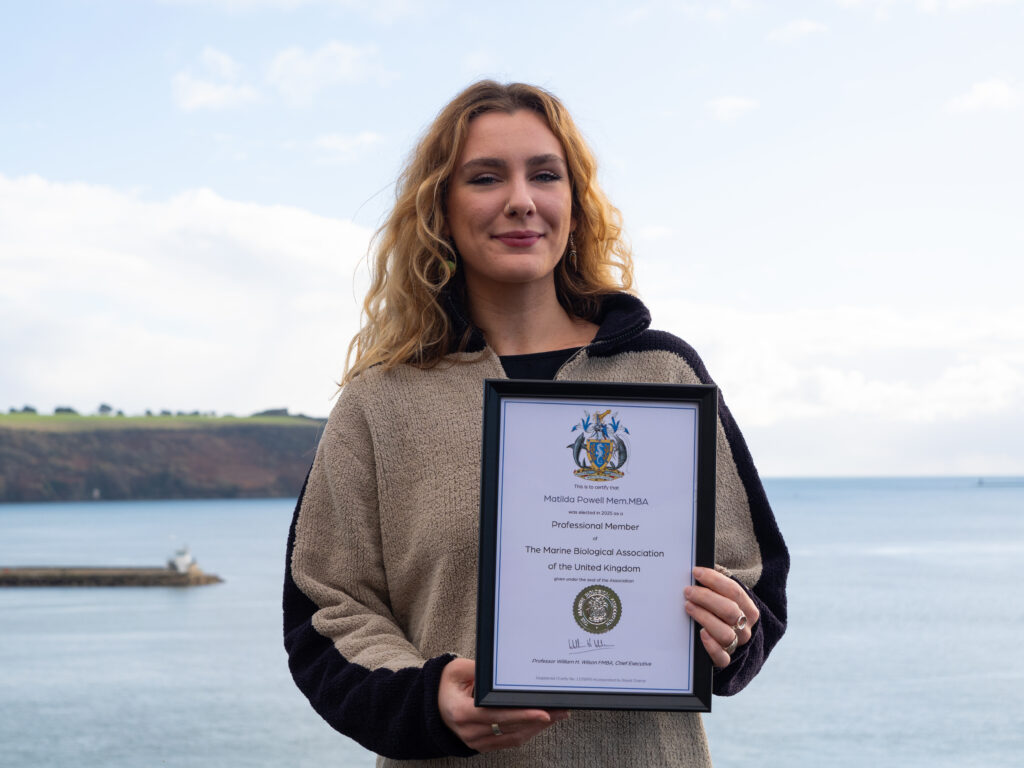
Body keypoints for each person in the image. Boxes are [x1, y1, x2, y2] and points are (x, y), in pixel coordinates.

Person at [283, 81, 789, 767]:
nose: (520, 199)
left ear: (573, 202)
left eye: (544, 175)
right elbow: (329, 609)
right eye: (486, 177)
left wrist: (732, 632)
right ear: (441, 206)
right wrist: (427, 700)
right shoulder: (382, 401)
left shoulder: (664, 375)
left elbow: (750, 584)